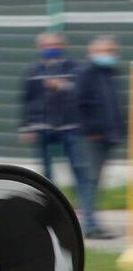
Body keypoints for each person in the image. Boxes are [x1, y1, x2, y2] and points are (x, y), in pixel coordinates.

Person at [19, 32, 87, 188]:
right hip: (42, 126)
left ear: (63, 47)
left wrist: (62, 86)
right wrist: (25, 127)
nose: (51, 49)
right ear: (39, 48)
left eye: (55, 45)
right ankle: (50, 203)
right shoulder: (32, 70)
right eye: (47, 46)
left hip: (70, 126)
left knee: (78, 166)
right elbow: (26, 99)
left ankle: (84, 208)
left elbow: (82, 92)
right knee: (45, 171)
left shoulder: (74, 67)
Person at [75, 35, 124, 240]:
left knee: (96, 182)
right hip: (92, 138)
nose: (110, 55)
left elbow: (113, 106)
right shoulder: (87, 74)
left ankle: (93, 222)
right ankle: (89, 225)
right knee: (90, 181)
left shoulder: (109, 74)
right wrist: (91, 130)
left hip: (107, 137)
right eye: (106, 51)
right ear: (94, 52)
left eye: (112, 51)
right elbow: (78, 104)